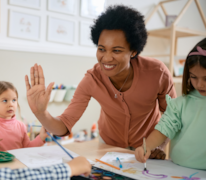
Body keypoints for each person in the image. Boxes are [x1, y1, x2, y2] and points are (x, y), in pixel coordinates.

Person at [25, 5, 176, 159]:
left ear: (134, 51)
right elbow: (63, 125)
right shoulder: (92, 79)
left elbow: (172, 116)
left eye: (116, 50)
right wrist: (41, 113)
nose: (107, 58)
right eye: (102, 49)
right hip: (109, 146)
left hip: (148, 146)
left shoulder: (157, 73)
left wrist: (158, 145)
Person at [135, 38, 206, 170]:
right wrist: (146, 147)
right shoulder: (180, 104)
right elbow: (163, 129)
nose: (199, 84)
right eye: (194, 77)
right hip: (178, 170)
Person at [0, 81, 47, 152]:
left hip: (18, 163)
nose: (11, 104)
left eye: (14, 100)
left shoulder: (21, 126)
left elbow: (27, 148)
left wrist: (41, 137)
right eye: (5, 100)